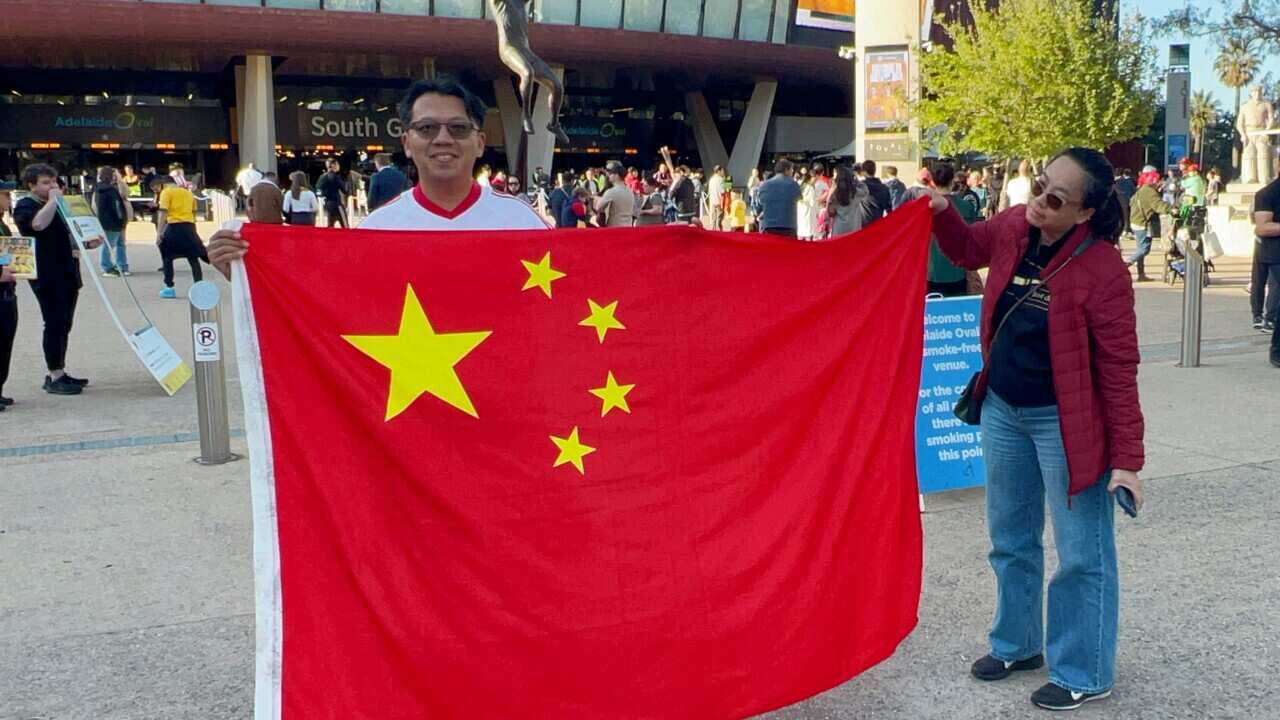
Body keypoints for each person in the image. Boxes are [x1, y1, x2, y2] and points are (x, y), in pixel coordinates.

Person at [926, 147, 1143, 712]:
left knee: (1082, 555)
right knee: (1010, 538)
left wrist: (1128, 461)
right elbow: (966, 247)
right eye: (1039, 186)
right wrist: (943, 209)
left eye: (1055, 199)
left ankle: (1085, 670)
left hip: (1065, 425)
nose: (1038, 204)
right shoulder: (1013, 226)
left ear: (1084, 214)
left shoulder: (1103, 271)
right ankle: (1017, 644)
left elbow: (1119, 372)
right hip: (1002, 408)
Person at [208, 78, 549, 277]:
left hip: (505, 397)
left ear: (479, 143)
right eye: (427, 128)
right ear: (407, 143)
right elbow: (321, 299)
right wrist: (243, 273)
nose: (443, 139)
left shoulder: (522, 220)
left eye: (458, 128)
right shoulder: (378, 229)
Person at [13, 164, 101, 396]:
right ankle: (54, 373)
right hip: (46, 273)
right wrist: (53, 201)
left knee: (64, 322)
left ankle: (60, 369)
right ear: (31, 185)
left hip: (67, 271)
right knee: (53, 322)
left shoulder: (61, 206)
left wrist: (87, 241)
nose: (52, 187)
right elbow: (37, 225)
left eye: (53, 182)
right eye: (45, 183)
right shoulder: (25, 206)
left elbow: (70, 233)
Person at [154, 177, 210, 299]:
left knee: (167, 258)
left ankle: (169, 287)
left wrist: (159, 232)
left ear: (164, 184)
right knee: (193, 258)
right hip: (189, 227)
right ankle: (198, 287)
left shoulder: (166, 192)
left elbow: (163, 212)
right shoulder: (188, 194)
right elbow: (194, 213)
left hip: (174, 227)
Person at [927, 162, 975, 297]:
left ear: (932, 181)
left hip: (932, 272)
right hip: (958, 271)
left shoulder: (926, 208)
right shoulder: (966, 206)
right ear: (952, 180)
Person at [1251, 159, 1280, 343]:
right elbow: (1262, 227)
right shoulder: (1267, 194)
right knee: (1269, 286)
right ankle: (1266, 318)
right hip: (1275, 252)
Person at [1126, 166, 1171, 283]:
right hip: (1142, 223)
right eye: (1155, 177)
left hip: (1135, 221)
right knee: (1144, 249)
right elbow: (1158, 206)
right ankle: (1125, 264)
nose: (1157, 180)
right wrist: (1172, 208)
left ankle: (1141, 275)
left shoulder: (1142, 189)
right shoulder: (1149, 191)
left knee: (1140, 248)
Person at [92, 166, 132, 277]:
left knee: (119, 243)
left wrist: (120, 181)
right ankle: (108, 267)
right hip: (114, 221)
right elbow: (117, 205)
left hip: (114, 221)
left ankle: (121, 265)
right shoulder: (109, 190)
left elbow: (126, 193)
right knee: (109, 244)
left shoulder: (101, 188)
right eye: (114, 175)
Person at [0, 181, 18, 409]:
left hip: (7, 290)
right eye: (5, 194)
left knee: (5, 342)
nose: (9, 199)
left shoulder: (3, 225)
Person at [756, 159, 802, 238]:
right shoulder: (793, 184)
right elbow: (799, 197)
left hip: (769, 226)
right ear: (786, 170)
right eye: (792, 170)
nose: (792, 172)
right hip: (788, 226)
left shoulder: (764, 185)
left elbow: (760, 202)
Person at [660, 147, 699, 224]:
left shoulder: (679, 181)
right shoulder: (690, 181)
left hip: (681, 210)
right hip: (691, 209)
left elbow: (670, 195)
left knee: (681, 229)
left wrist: (671, 188)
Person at [825, 165, 865, 237]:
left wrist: (831, 191)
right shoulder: (856, 193)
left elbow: (830, 213)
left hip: (839, 230)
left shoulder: (835, 194)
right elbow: (865, 191)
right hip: (854, 228)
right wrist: (857, 180)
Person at [596, 161, 636, 228]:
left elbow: (598, 207)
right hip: (628, 227)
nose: (608, 175)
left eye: (610, 173)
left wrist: (598, 199)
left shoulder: (611, 192)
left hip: (615, 228)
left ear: (617, 175)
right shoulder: (630, 191)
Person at [315, 159, 348, 228]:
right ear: (333, 165)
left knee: (330, 225)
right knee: (345, 225)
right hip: (337, 204)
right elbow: (344, 190)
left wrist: (323, 197)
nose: (339, 166)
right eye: (337, 164)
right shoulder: (336, 177)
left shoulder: (322, 177)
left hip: (328, 204)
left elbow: (318, 190)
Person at [707, 166, 727, 231]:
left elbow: (709, 190)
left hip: (712, 201)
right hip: (719, 201)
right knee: (719, 218)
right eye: (722, 171)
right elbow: (724, 191)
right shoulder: (721, 180)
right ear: (718, 171)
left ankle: (713, 231)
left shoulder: (711, 179)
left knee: (713, 218)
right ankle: (719, 232)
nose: (723, 172)